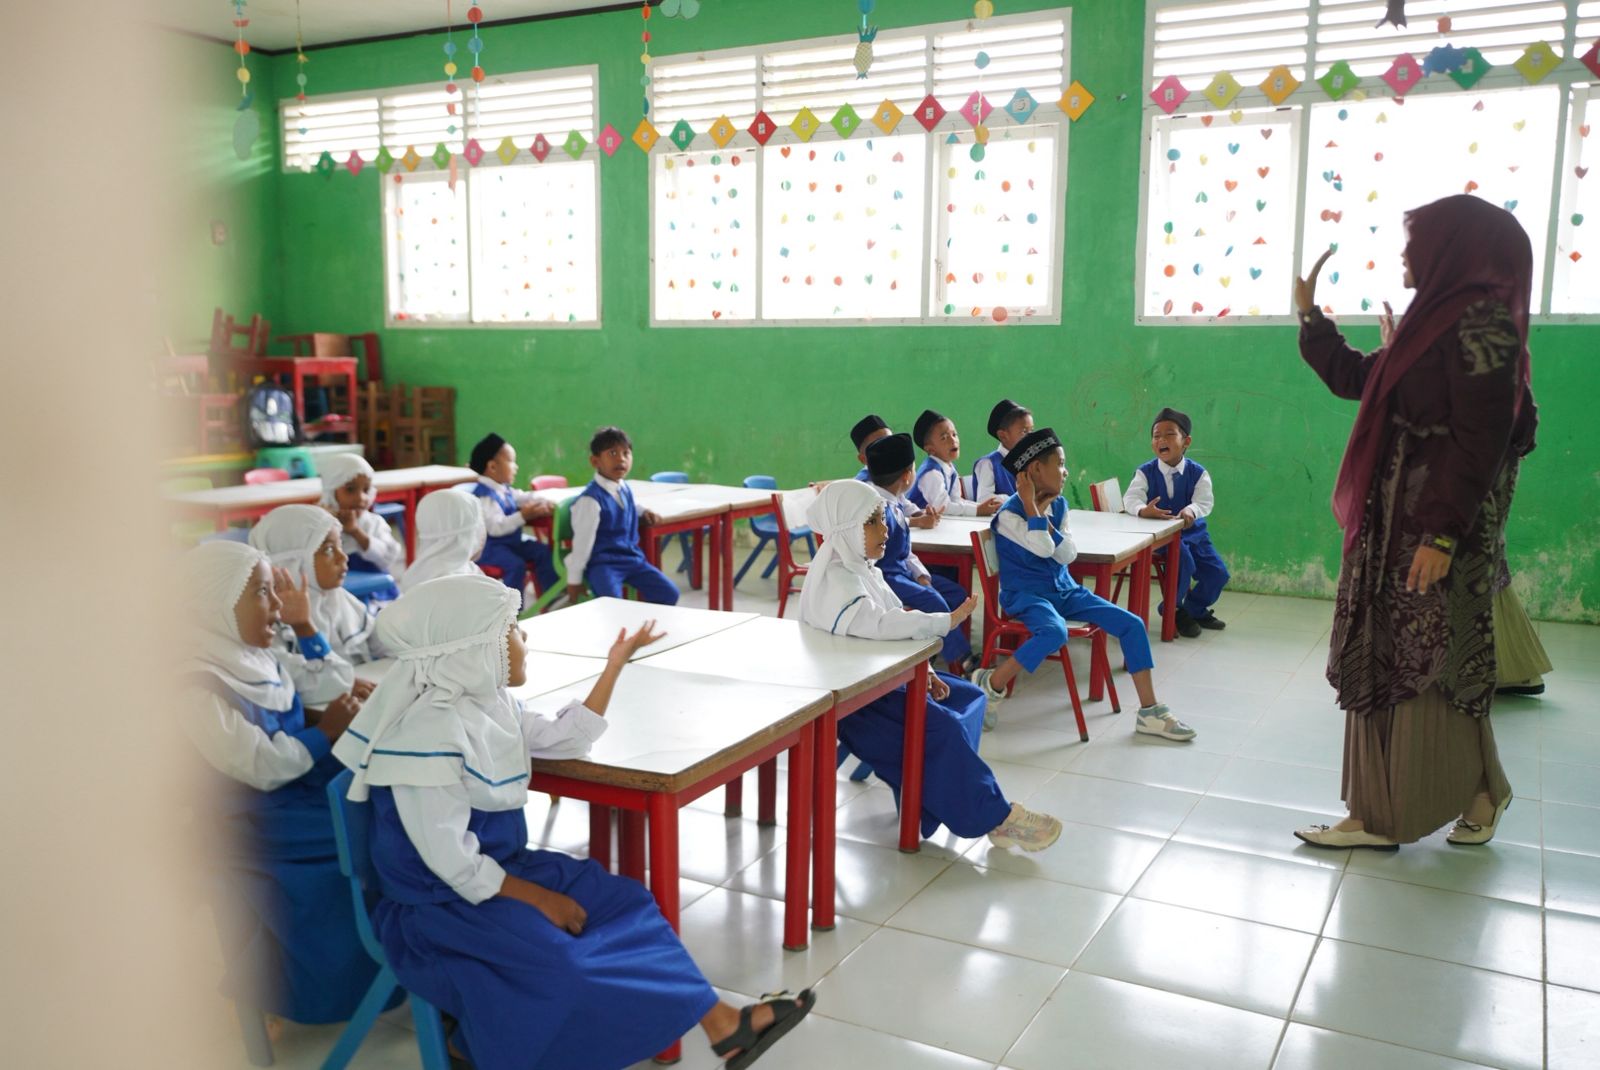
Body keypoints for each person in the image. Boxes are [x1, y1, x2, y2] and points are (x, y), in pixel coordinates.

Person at [331, 574, 814, 1070]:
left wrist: (614, 666)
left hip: (500, 874)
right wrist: (541, 898)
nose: (523, 636)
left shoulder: (489, 705)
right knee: (559, 965)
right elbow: (450, 862)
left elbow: (565, 738)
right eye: (511, 629)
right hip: (438, 907)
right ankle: (474, 1048)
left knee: (625, 901)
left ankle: (723, 1024)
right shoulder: (422, 736)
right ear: (471, 650)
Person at [1290, 194, 1535, 849]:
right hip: (1394, 528)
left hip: (1432, 531)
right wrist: (1311, 316)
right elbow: (1356, 379)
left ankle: (1387, 814)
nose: (1406, 252)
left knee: (1432, 664)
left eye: (1418, 240)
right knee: (1397, 659)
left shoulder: (1483, 323)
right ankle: (1449, 799)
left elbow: (1483, 437)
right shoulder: (1435, 321)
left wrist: (1442, 534)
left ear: (1454, 248)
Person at [799, 480, 1063, 850]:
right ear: (845, 528)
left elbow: (894, 627)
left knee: (970, 697)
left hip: (886, 684)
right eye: (872, 521)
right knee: (943, 728)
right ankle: (998, 817)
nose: (885, 529)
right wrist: (944, 621)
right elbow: (881, 625)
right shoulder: (836, 580)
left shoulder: (865, 570)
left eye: (883, 518)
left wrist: (928, 671)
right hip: (859, 705)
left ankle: (933, 800)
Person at [180, 541, 375, 1026]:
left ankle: (387, 966)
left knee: (383, 809)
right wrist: (324, 732)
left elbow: (334, 684)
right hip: (249, 818)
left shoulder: (255, 657)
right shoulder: (197, 686)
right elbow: (260, 766)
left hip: (294, 793)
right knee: (373, 835)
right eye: (262, 593)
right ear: (217, 605)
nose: (277, 605)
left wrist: (305, 626)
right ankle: (291, 987)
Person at [972, 428, 1197, 741]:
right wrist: (1032, 508)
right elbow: (1043, 549)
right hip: (1026, 596)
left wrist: (1045, 518)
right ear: (1035, 470)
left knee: (1132, 624)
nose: (1065, 471)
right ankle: (992, 682)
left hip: (1064, 591)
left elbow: (1067, 554)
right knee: (1054, 632)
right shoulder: (1009, 514)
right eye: (1060, 464)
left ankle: (1149, 711)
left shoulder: (1059, 506)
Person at [864, 432, 974, 676]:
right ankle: (964, 662)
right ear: (907, 476)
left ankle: (930, 652)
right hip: (887, 578)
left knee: (956, 593)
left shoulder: (896, 502)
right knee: (934, 600)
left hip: (903, 573)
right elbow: (871, 564)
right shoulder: (879, 511)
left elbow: (906, 551)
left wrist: (921, 575)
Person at [1122, 407, 1231, 637]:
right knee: (1184, 561)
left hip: (1195, 534)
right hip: (1163, 538)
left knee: (1218, 573)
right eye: (1156, 435)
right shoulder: (1144, 472)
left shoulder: (1198, 473)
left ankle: (1193, 609)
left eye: (1169, 434)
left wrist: (1191, 510)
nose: (1161, 440)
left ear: (1186, 441)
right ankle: (1172, 608)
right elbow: (1131, 498)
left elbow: (1204, 501)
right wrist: (1143, 510)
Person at [249, 504, 384, 670]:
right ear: (292, 564)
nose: (343, 557)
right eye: (328, 550)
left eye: (340, 545)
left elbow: (383, 642)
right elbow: (315, 679)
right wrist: (303, 627)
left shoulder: (338, 597)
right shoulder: (270, 622)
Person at [565, 426, 680, 605]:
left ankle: (643, 623)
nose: (621, 459)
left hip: (631, 559)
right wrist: (574, 580)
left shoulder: (623, 487)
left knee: (669, 593)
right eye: (612, 453)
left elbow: (629, 504)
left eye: (626, 453)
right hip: (603, 564)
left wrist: (644, 511)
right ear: (595, 461)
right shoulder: (590, 501)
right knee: (613, 604)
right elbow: (582, 544)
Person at [468, 432, 560, 606]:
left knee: (541, 551)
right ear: (492, 467)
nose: (516, 467)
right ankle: (512, 610)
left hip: (510, 544)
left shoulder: (504, 489)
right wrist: (523, 515)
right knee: (515, 565)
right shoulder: (485, 496)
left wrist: (544, 502)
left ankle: (552, 596)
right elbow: (496, 527)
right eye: (511, 461)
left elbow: (525, 497)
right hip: (490, 549)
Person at [317, 452, 405, 580]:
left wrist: (356, 532)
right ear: (330, 491)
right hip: (337, 587)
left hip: (375, 587)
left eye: (366, 490)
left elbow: (387, 558)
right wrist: (323, 525)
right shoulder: (319, 523)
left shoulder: (374, 522)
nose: (361, 498)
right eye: (350, 489)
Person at [908, 408, 1005, 517]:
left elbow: (956, 501)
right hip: (918, 525)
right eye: (944, 438)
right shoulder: (931, 473)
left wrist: (982, 506)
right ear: (931, 449)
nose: (953, 440)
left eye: (954, 434)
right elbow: (943, 507)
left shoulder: (949, 468)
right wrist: (977, 510)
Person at [399, 488, 488, 594]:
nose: (483, 534)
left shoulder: (416, 574)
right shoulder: (463, 583)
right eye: (479, 526)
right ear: (465, 537)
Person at [973, 398, 1032, 501]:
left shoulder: (1029, 463)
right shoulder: (988, 463)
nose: (1030, 436)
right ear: (1003, 435)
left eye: (1031, 430)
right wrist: (1018, 500)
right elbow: (984, 499)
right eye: (1024, 431)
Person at [850, 413, 891, 481]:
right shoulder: (862, 484)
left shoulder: (903, 470)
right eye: (879, 448)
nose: (889, 451)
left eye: (891, 442)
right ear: (863, 459)